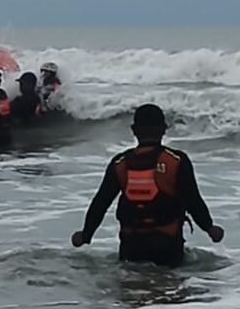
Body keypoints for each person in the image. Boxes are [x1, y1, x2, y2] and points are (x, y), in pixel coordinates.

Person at [71, 104, 225, 267]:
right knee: (168, 288)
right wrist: (209, 228)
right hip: (167, 248)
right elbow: (193, 200)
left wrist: (86, 235)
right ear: (164, 129)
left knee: (132, 286)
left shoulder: (120, 163)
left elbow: (101, 202)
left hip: (131, 247)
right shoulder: (176, 161)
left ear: (134, 130)